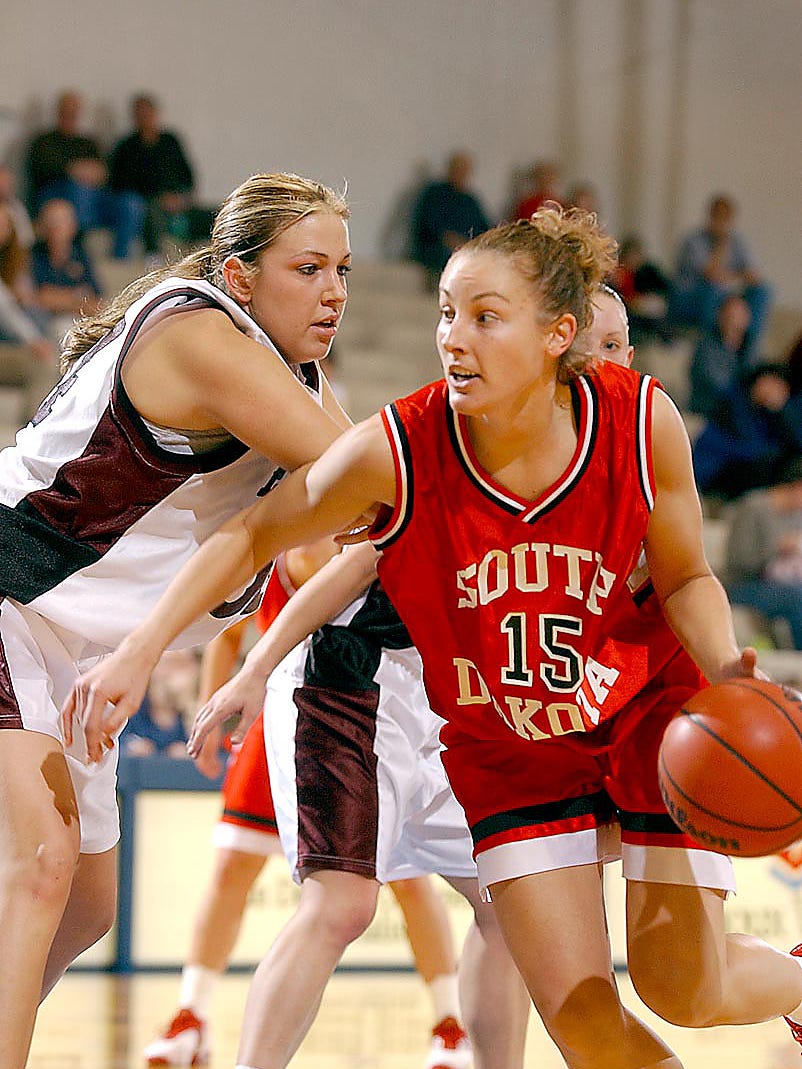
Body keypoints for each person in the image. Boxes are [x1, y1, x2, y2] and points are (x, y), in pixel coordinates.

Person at [67, 205, 802, 1069]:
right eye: (447, 313)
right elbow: (254, 534)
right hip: (512, 746)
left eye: (485, 317)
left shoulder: (643, 423)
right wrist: (143, 646)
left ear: (558, 334)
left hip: (645, 712)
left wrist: (726, 668)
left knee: (685, 988)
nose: (454, 337)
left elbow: (685, 575)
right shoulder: (403, 446)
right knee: (580, 1016)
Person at [0, 170, 356, 1069]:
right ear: (240, 276)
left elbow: (365, 520)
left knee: (85, 910)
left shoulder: (298, 371)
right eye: (308, 268)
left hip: (76, 639)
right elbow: (368, 478)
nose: (334, 292)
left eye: (342, 269)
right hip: (8, 588)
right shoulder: (200, 333)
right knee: (41, 864)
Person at [145, 544, 483, 1069]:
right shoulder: (287, 522)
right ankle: (190, 1014)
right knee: (236, 869)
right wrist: (213, 709)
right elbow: (230, 631)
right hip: (293, 699)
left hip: (389, 700)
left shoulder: (365, 511)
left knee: (407, 883)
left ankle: (448, 1023)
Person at [25, 89, 143, 260]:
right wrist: (73, 170)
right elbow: (41, 171)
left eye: (74, 112)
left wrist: (96, 173)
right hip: (59, 197)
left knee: (131, 202)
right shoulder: (44, 141)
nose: (70, 116)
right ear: (58, 112)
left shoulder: (88, 143)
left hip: (95, 198)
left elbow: (104, 173)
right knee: (80, 191)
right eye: (67, 112)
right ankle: (79, 251)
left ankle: (120, 258)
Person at [109, 93, 216, 258]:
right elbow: (120, 184)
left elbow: (188, 176)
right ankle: (154, 259)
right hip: (149, 204)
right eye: (139, 115)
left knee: (214, 215)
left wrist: (180, 199)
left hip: (178, 202)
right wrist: (160, 198)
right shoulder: (127, 147)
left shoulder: (170, 141)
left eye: (147, 113)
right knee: (151, 214)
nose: (144, 118)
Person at [670, 193, 773, 358]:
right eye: (718, 217)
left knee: (762, 291)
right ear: (710, 216)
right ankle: (712, 350)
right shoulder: (693, 241)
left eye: (726, 218)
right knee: (713, 290)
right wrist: (721, 243)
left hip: (724, 297)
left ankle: (748, 348)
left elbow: (754, 277)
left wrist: (732, 278)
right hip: (690, 301)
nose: (722, 222)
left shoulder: (738, 242)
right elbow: (712, 275)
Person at [691, 362, 802, 502]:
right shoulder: (735, 401)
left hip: (738, 467)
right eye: (772, 384)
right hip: (714, 467)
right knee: (768, 460)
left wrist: (782, 410)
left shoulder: (767, 415)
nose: (773, 392)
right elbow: (750, 447)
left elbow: (796, 442)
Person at [723, 456, 802, 650]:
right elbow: (738, 561)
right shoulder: (753, 506)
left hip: (783, 582)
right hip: (745, 584)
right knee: (797, 596)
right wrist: (778, 548)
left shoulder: (796, 516)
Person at [410, 151, 491, 292]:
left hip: (466, 249)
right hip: (435, 248)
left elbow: (485, 228)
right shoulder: (434, 193)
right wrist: (450, 240)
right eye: (458, 169)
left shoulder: (470, 200)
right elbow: (429, 225)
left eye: (464, 170)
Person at [30, 198, 103, 340]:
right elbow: (40, 297)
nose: (55, 227)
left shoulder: (81, 256)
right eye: (51, 222)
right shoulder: (33, 255)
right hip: (44, 321)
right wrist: (77, 298)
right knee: (64, 329)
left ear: (73, 226)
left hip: (78, 318)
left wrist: (61, 299)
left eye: (61, 222)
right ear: (42, 226)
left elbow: (97, 302)